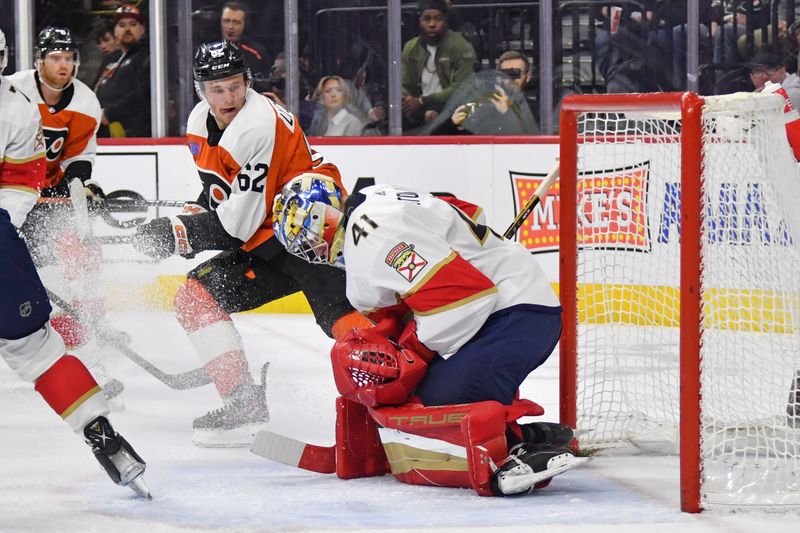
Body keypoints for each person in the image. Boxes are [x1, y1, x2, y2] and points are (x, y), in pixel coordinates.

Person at [271, 175, 588, 496]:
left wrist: (412, 354)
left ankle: (506, 456)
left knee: (419, 412)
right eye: (307, 244)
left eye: (316, 228)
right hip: (522, 310)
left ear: (331, 208)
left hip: (509, 320)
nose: (318, 244)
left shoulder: (368, 239)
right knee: (422, 393)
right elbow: (472, 214)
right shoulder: (380, 195)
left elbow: (465, 300)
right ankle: (529, 437)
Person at [130, 41, 371, 447]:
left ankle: (409, 391)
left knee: (344, 322)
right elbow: (225, 194)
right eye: (216, 89)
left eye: (234, 86)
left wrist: (177, 233)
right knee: (195, 298)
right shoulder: (198, 122)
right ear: (200, 90)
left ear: (248, 82)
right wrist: (198, 210)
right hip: (266, 239)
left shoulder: (256, 125)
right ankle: (242, 404)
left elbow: (234, 228)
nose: (227, 97)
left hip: (309, 231)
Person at [0, 27, 149, 498]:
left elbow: (36, 176)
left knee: (78, 265)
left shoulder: (43, 105)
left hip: (18, 220)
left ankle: (99, 401)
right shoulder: (17, 104)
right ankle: (101, 434)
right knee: (36, 350)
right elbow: (21, 184)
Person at [6, 27, 114, 388]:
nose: (63, 65)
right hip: (12, 192)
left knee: (79, 259)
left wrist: (80, 181)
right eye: (55, 57)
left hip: (48, 198)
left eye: (69, 58)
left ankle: (90, 341)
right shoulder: (14, 89)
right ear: (39, 60)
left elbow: (80, 157)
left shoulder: (85, 102)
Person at [401, 0, 476, 130]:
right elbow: (405, 84)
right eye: (426, 19)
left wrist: (422, 101)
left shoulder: (461, 46)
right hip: (419, 108)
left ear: (446, 21)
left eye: (438, 19)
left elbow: (462, 88)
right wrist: (405, 97)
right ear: (419, 21)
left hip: (453, 108)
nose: (432, 24)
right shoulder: (411, 47)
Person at [449, 50, 539, 135]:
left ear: (528, 77)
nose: (510, 79)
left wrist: (506, 113)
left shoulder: (538, 110)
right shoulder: (484, 108)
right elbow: (472, 140)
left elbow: (536, 142)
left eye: (515, 74)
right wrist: (455, 125)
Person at [94, 4, 150, 137]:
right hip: (99, 131)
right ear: (115, 31)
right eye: (122, 25)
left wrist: (110, 114)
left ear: (142, 29)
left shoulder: (148, 57)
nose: (127, 29)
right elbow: (94, 88)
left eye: (133, 24)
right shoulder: (110, 59)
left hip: (131, 133)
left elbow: (144, 93)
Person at [220, 1, 269, 82]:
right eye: (226, 21)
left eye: (236, 22)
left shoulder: (257, 54)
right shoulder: (206, 51)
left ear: (246, 25)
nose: (230, 27)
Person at [87, 17, 120, 88]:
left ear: (117, 39)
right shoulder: (107, 60)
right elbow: (95, 86)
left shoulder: (127, 60)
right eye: (99, 42)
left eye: (106, 40)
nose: (102, 46)